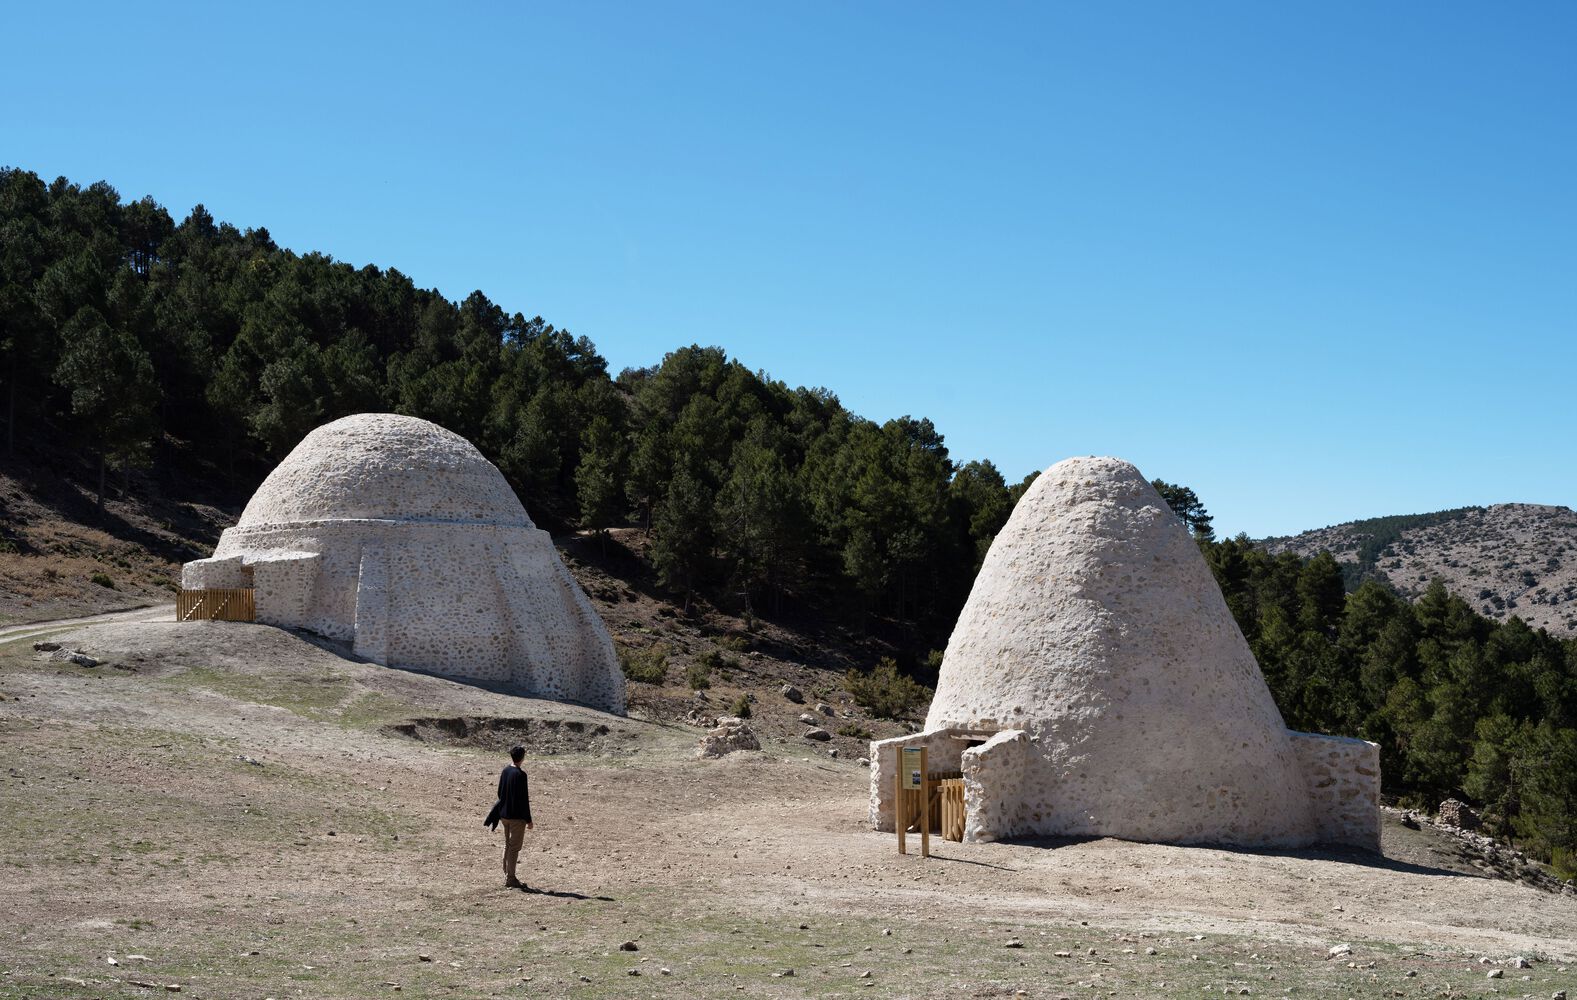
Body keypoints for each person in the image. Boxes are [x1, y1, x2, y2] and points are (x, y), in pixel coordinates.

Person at [496, 745, 534, 889]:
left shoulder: (505, 771)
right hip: (516, 818)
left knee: (507, 845)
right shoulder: (521, 775)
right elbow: (524, 800)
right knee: (514, 848)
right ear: (522, 757)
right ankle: (511, 878)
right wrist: (529, 820)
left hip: (504, 815)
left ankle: (507, 873)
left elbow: (500, 792)